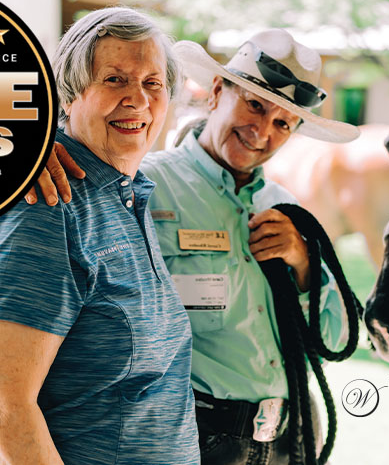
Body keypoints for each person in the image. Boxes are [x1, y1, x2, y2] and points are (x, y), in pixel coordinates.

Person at [30, 28, 360, 464]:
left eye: (283, 123)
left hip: (288, 437)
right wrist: (35, 150)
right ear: (218, 92)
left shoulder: (286, 208)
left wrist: (302, 262)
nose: (262, 131)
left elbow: (335, 339)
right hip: (195, 437)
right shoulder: (143, 185)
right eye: (254, 105)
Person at [0, 7, 199, 465]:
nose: (138, 100)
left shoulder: (122, 193)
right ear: (69, 96)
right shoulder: (46, 205)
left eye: (153, 83)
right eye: (114, 79)